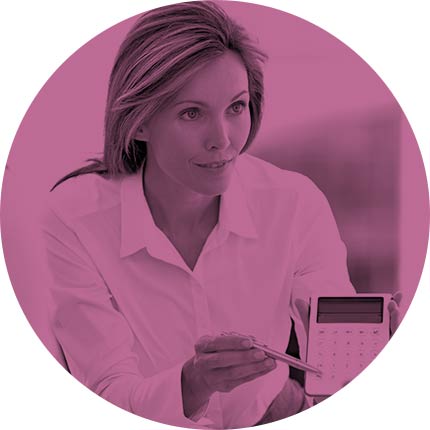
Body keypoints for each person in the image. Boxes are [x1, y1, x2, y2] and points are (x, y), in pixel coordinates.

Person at [42, 1, 400, 428]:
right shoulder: (74, 218)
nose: (223, 139)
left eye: (236, 107)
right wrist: (192, 384)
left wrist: (363, 364)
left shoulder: (295, 203)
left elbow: (333, 363)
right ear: (138, 122)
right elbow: (106, 393)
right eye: (191, 113)